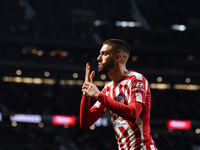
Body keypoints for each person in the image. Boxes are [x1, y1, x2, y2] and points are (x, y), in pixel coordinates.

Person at [80, 39, 157, 150]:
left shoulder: (136, 79)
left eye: (104, 54)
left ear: (118, 57)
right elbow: (86, 122)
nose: (98, 58)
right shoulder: (108, 89)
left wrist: (98, 95)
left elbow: (133, 114)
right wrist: (86, 93)